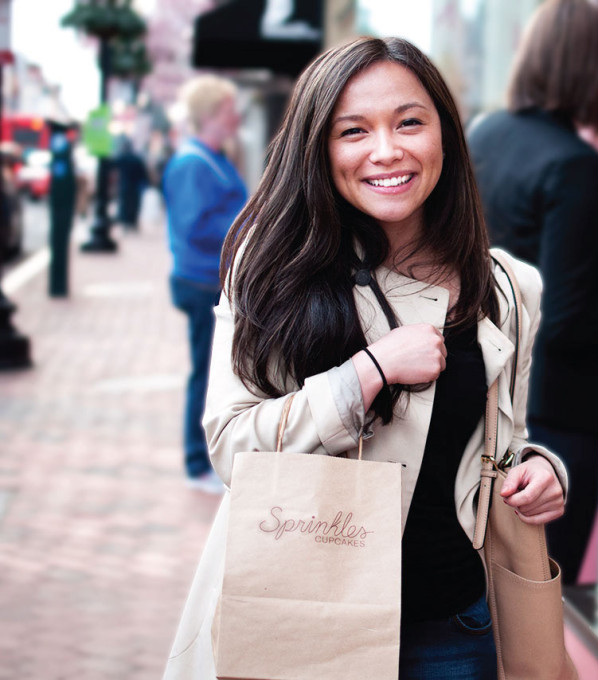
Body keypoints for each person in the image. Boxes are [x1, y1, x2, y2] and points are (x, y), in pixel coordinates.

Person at [164, 37, 568, 679]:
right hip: (307, 618)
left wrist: (541, 473)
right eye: (354, 130)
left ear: (445, 135)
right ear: (320, 148)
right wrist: (367, 373)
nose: (387, 151)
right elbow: (231, 446)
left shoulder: (507, 287)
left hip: (454, 628)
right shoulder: (274, 271)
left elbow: (502, 441)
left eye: (410, 121)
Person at [467, 0, 598, 585]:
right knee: (538, 591)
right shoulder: (574, 166)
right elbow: (569, 316)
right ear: (595, 68)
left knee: (492, 581)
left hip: (493, 396)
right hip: (558, 411)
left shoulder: (487, 132)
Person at [163, 75, 247, 493]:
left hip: (208, 280)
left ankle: (206, 457)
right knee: (205, 374)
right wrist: (248, 225)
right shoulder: (192, 163)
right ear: (214, 113)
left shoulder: (213, 157)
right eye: (231, 108)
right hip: (200, 283)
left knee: (213, 372)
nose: (238, 116)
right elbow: (193, 224)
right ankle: (197, 461)